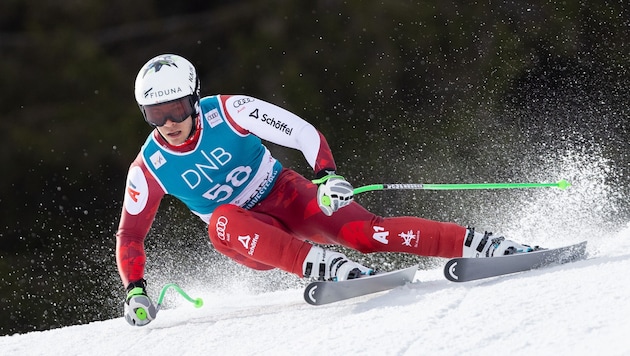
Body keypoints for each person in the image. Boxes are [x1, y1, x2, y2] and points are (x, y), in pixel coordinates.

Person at [117, 54, 533, 326]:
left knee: (367, 234)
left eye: (177, 109)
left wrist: (327, 176)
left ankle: (481, 244)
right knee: (222, 220)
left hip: (287, 195)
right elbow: (130, 233)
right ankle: (324, 267)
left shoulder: (230, 110)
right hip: (249, 237)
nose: (170, 123)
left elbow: (301, 133)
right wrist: (135, 289)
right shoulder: (149, 166)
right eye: (157, 114)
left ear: (194, 100)